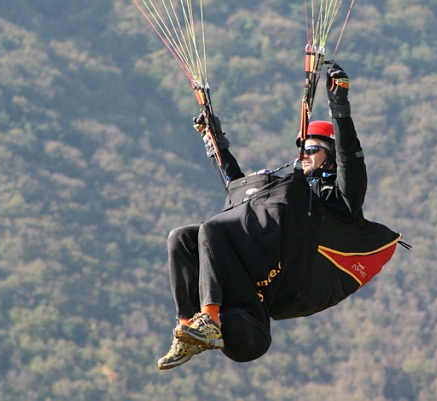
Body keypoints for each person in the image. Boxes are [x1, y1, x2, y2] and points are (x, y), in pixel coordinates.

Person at [157, 63, 407, 370]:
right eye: (303, 149)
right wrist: (214, 141)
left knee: (213, 229)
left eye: (313, 149)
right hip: (260, 264)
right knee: (182, 238)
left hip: (295, 272)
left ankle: (209, 318)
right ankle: (188, 328)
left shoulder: (339, 202)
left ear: (329, 155)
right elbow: (239, 192)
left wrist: (339, 108)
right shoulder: (290, 187)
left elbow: (351, 161)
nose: (305, 155)